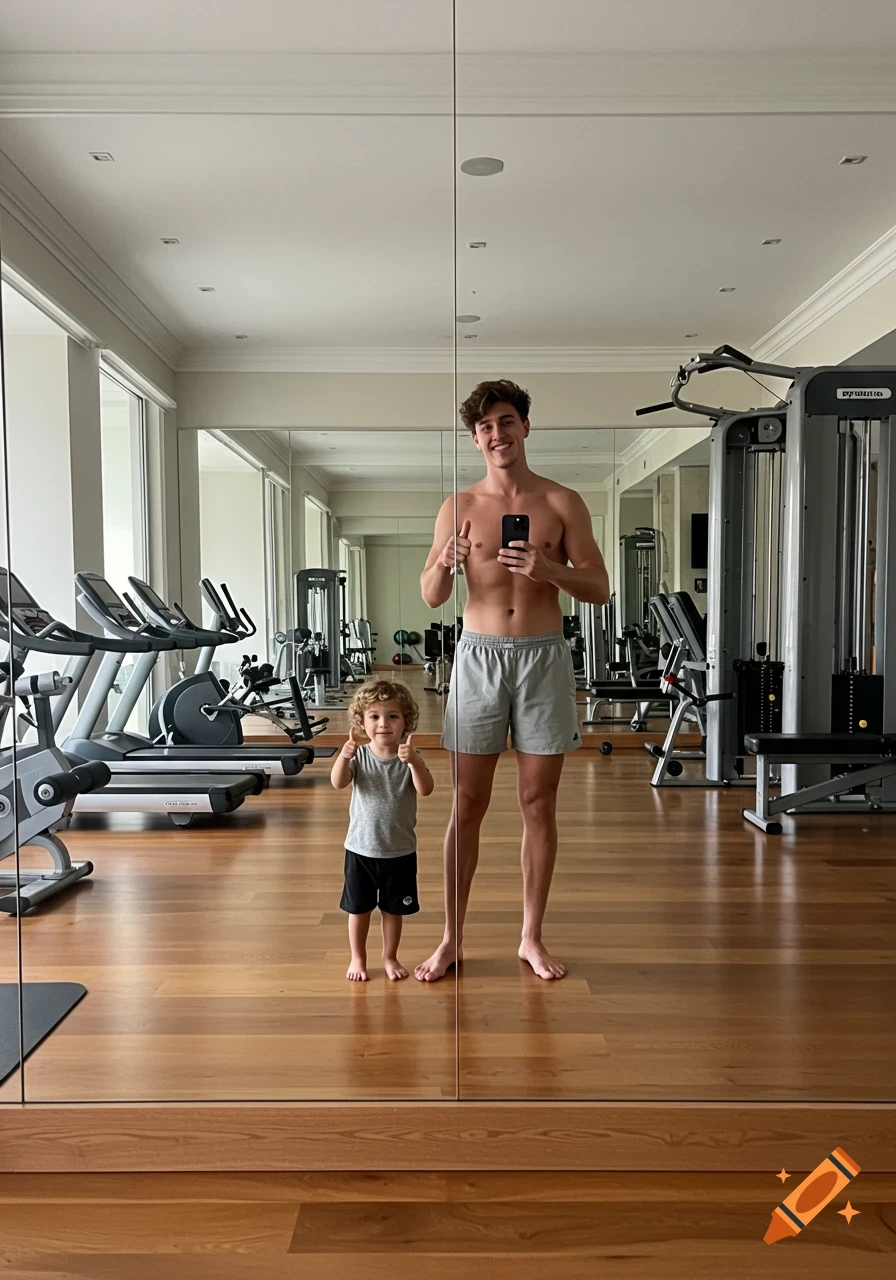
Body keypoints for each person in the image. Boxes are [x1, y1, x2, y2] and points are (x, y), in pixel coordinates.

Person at [416, 379, 610, 983]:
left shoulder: (562, 502)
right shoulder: (458, 506)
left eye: (505, 422)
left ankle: (530, 935)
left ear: (526, 427)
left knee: (537, 803)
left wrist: (547, 568)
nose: (496, 435)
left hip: (543, 657)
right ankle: (451, 938)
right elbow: (430, 597)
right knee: (466, 805)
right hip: (477, 658)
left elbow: (600, 589)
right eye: (484, 428)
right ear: (475, 439)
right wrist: (447, 562)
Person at [331, 679, 434, 982]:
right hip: (360, 850)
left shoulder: (409, 757)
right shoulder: (360, 757)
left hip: (399, 851)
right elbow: (338, 782)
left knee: (393, 911)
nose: (383, 724)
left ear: (406, 722)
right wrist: (344, 755)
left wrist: (414, 762)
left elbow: (426, 789)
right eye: (374, 716)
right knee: (358, 910)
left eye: (392, 716)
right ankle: (358, 958)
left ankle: (390, 956)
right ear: (362, 722)